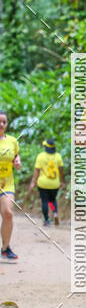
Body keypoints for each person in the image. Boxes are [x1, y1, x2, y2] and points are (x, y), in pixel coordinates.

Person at [0, 109, 22, 261]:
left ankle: (5, 248)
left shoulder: (13, 141)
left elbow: (15, 156)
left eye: (4, 122)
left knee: (8, 213)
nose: (1, 124)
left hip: (6, 183)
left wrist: (17, 162)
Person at [29, 138, 64, 226]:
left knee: (45, 201)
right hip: (54, 183)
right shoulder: (58, 156)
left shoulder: (41, 156)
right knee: (52, 200)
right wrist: (62, 181)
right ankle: (55, 213)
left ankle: (46, 220)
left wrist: (33, 181)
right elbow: (60, 171)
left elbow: (37, 171)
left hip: (43, 183)